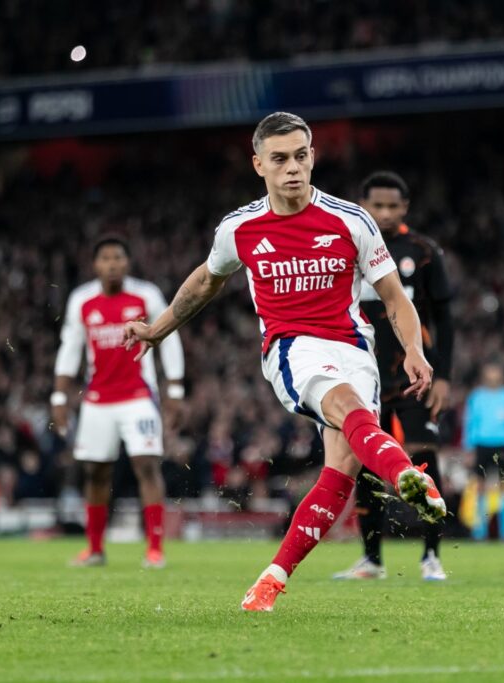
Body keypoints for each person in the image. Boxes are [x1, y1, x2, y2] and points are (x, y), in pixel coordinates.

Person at [122, 112, 446, 612]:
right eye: (279, 159)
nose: (293, 168)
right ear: (259, 165)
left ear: (312, 156)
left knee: (340, 470)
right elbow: (206, 281)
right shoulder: (240, 228)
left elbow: (394, 297)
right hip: (293, 348)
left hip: (354, 347)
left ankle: (271, 580)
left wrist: (414, 350)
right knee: (343, 407)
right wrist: (158, 329)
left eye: (301, 156)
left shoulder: (351, 221)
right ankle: (408, 472)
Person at [332, 171, 454, 582]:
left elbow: (444, 318)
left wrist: (445, 376)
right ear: (362, 205)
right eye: (376, 206)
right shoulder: (345, 247)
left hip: (414, 377)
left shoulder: (422, 252)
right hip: (362, 376)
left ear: (405, 208)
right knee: (366, 466)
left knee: (425, 457)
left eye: (392, 206)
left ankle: (431, 557)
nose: (384, 214)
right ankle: (372, 559)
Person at [53, 235, 185, 569]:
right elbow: (70, 346)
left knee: (147, 465)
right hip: (97, 399)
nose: (112, 264)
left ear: (128, 262)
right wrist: (59, 394)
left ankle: (155, 548)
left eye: (118, 258)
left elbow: (169, 338)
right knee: (95, 473)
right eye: (106, 258)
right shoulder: (81, 299)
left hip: (138, 395)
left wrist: (175, 389)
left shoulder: (147, 295)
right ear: (95, 264)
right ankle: (95, 549)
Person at [463, 362, 504, 541]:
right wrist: (469, 448)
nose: (493, 376)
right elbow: (470, 423)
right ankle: (479, 530)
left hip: (503, 444)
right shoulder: (476, 397)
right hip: (481, 444)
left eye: (496, 372)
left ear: (502, 374)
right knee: (480, 486)